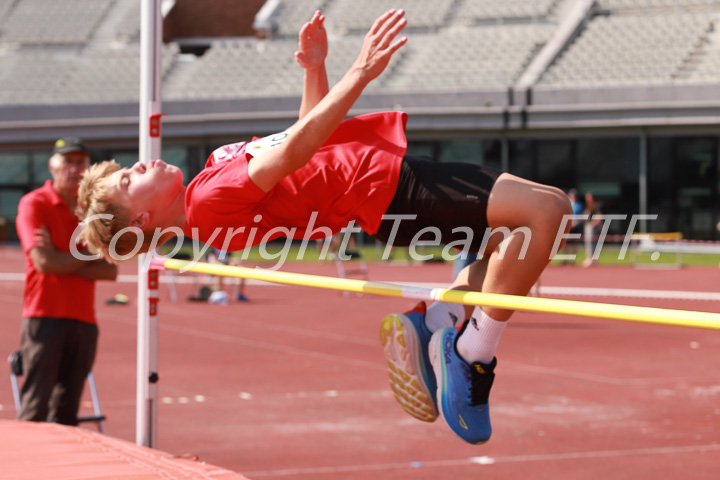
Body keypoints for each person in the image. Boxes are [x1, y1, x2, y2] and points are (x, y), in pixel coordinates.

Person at [75, 10, 571, 444]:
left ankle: (437, 321)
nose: (140, 165)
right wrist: (360, 72)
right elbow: (296, 151)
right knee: (546, 213)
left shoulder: (208, 178)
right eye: (128, 178)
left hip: (382, 176)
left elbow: (298, 139)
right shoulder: (208, 201)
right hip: (384, 190)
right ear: (140, 218)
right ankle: (471, 355)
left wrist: (315, 71)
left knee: (521, 233)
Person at [15, 137, 118, 425]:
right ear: (52, 165)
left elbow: (110, 271)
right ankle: (25, 469)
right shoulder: (34, 203)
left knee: (67, 413)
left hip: (84, 320)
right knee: (35, 408)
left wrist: (63, 259)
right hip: (44, 315)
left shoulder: (93, 212)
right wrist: (88, 259)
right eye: (68, 161)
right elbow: (44, 263)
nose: (75, 169)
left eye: (81, 162)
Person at [582, 192, 602, 267]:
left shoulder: (597, 205)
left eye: (588, 197)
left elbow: (599, 217)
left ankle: (592, 259)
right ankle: (590, 258)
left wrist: (591, 224)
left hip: (593, 226)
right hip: (588, 226)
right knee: (588, 242)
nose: (587, 199)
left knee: (592, 242)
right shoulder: (588, 206)